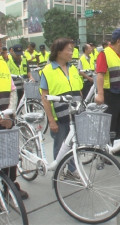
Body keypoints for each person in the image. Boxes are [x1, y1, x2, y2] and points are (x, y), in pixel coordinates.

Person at [40, 38, 83, 169]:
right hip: (59, 116)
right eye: (69, 50)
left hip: (75, 114)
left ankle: (71, 169)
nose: (72, 53)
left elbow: (79, 91)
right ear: (59, 52)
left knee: (74, 144)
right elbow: (45, 97)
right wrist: (51, 120)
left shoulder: (73, 69)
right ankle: (59, 171)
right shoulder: (47, 71)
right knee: (60, 145)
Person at [95, 28, 120, 156]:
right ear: (119, 41)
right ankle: (107, 153)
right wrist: (100, 94)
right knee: (110, 125)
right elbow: (100, 75)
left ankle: (118, 149)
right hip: (110, 94)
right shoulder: (104, 54)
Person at [0, 37, 29, 200]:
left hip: (5, 118)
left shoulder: (2, 63)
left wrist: (9, 113)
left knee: (9, 155)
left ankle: (10, 185)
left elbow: (12, 90)